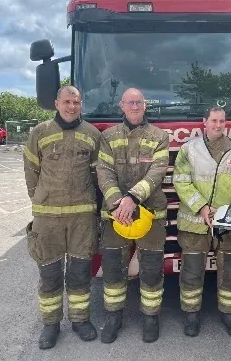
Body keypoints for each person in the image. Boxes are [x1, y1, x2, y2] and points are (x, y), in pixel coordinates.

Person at [23, 85, 101, 349]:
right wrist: (40, 198)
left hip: (82, 217)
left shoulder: (91, 134)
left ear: (81, 105)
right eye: (67, 101)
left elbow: (97, 174)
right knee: (50, 273)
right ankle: (51, 324)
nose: (71, 107)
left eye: (76, 102)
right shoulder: (40, 132)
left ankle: (80, 320)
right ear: (56, 103)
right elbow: (31, 169)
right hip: (47, 218)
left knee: (80, 273)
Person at [173, 106, 231, 337]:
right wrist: (201, 206)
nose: (218, 125)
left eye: (221, 121)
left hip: (229, 225)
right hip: (194, 223)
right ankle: (191, 315)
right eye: (213, 120)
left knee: (230, 271)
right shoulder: (188, 150)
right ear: (204, 122)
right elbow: (180, 181)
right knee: (191, 271)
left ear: (226, 123)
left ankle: (229, 313)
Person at [96, 88, 169, 344]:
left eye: (139, 102)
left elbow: (157, 172)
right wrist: (118, 203)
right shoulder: (107, 137)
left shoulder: (160, 136)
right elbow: (103, 172)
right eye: (130, 102)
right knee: (114, 269)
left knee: (151, 269)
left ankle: (151, 317)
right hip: (117, 215)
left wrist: (132, 198)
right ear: (122, 106)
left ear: (145, 105)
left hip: (151, 214)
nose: (135, 106)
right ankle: (113, 317)